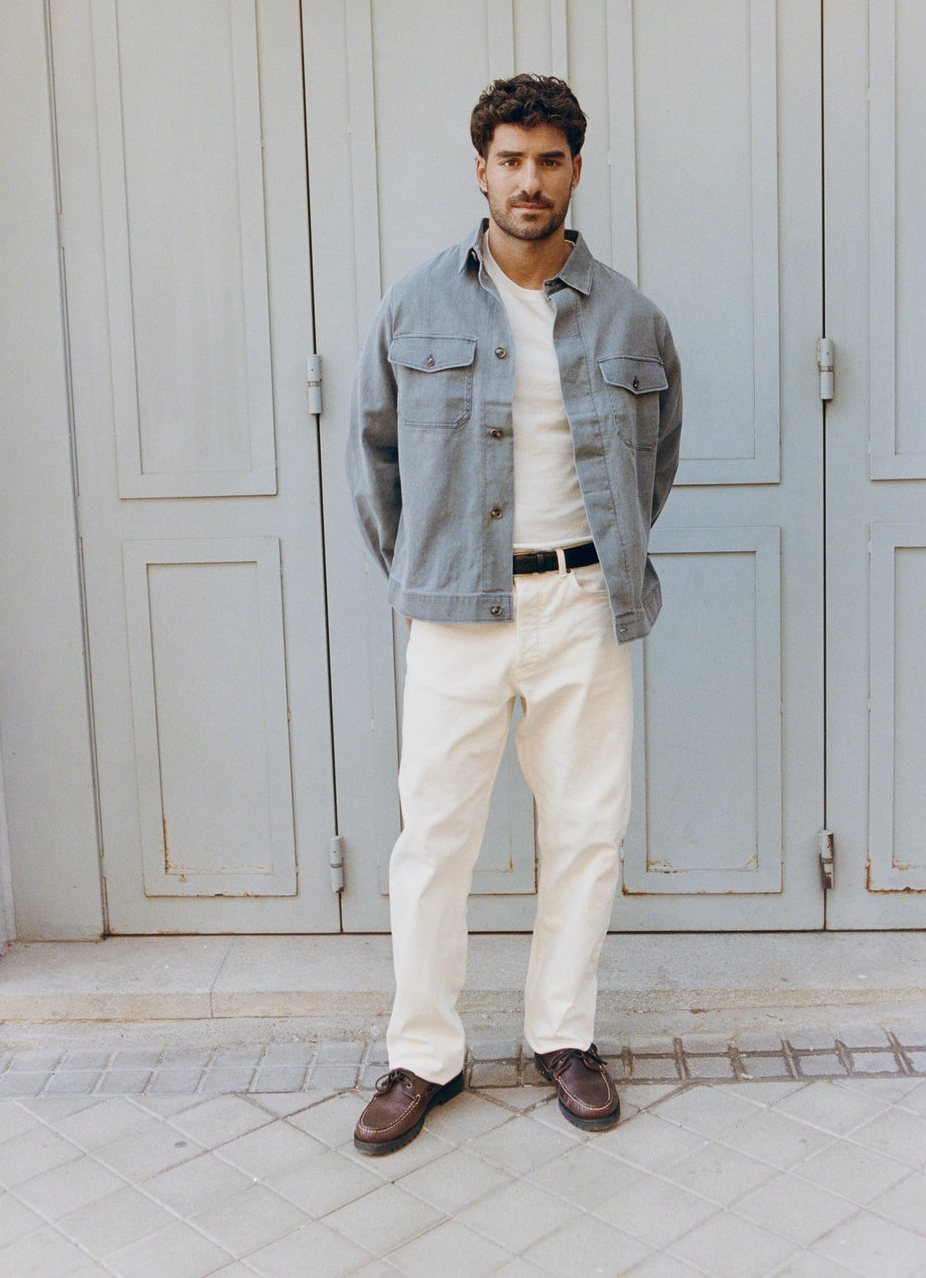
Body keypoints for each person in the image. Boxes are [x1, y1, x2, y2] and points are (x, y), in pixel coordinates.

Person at [346, 74, 681, 1154]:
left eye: (548, 160)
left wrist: (601, 564)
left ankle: (562, 1037)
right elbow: (375, 457)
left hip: (584, 605)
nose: (528, 181)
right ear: (480, 170)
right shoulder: (415, 306)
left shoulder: (630, 316)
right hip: (456, 609)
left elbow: (654, 466)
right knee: (433, 840)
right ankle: (423, 1057)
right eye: (509, 160)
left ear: (575, 169)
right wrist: (424, 579)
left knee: (585, 830)